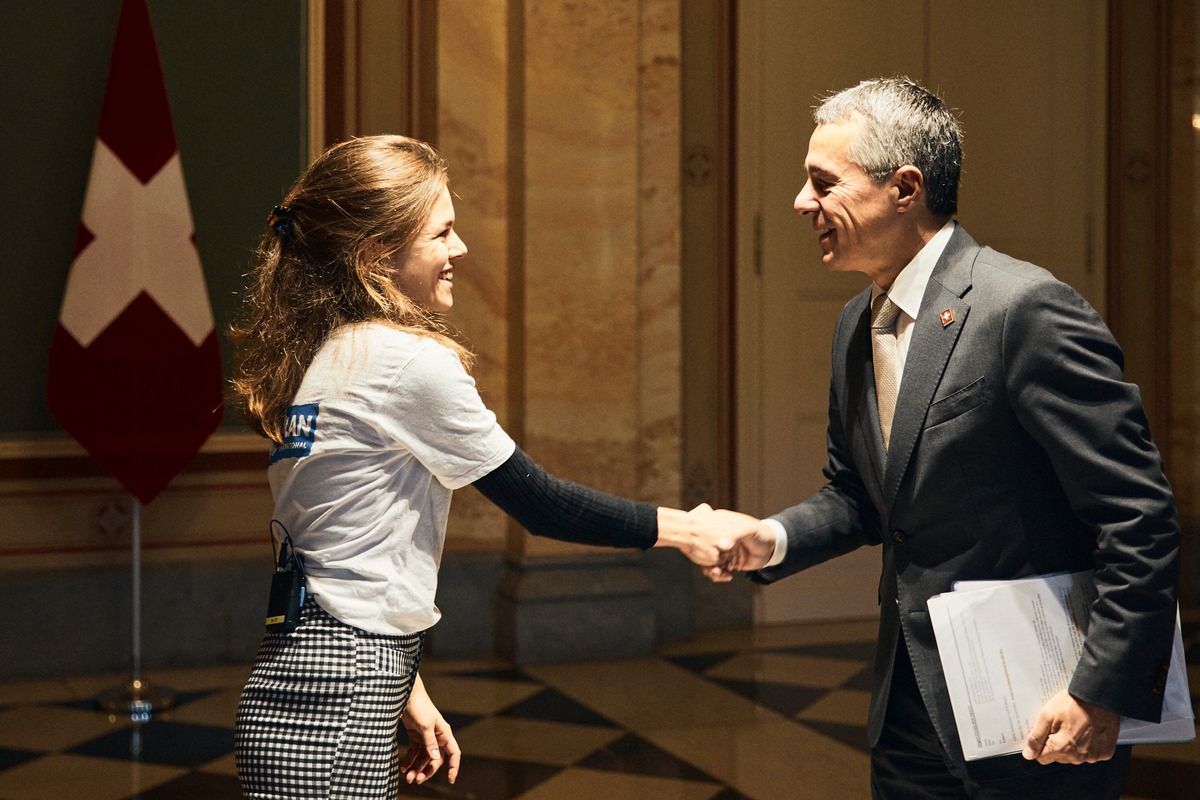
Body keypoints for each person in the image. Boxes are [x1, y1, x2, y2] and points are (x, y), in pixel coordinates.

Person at [229, 134, 744, 799]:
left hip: (314, 687)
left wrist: (405, 691)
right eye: (441, 232)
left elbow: (334, 552)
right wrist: (688, 531)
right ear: (376, 256)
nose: (461, 248)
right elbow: (540, 503)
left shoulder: (333, 355)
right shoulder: (406, 361)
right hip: (337, 700)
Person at [711, 77, 1181, 799]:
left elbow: (1137, 517)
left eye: (821, 182)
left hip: (1038, 710)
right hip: (908, 706)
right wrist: (769, 538)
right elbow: (862, 496)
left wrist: (1102, 690)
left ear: (905, 188)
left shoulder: (1024, 310)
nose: (802, 204)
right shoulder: (852, 325)